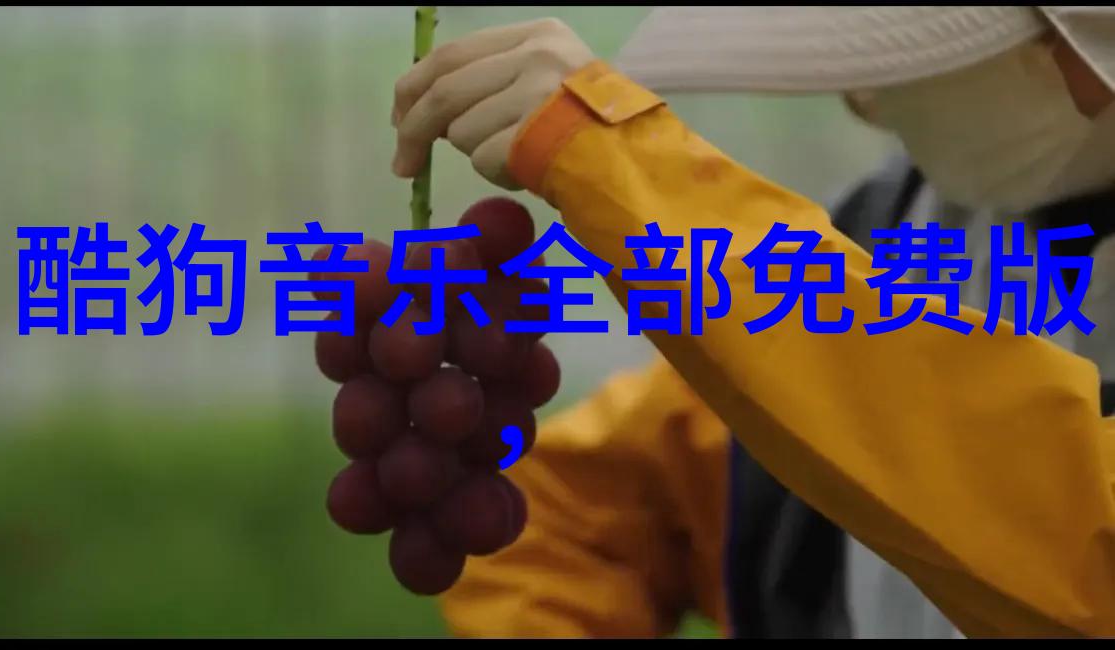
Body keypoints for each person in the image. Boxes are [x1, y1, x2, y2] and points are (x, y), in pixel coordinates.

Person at [383, 6, 1115, 638]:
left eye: (905, 52)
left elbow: (1077, 541)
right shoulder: (898, 231)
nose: (861, 101)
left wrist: (624, 173)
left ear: (1080, 51)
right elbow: (573, 512)